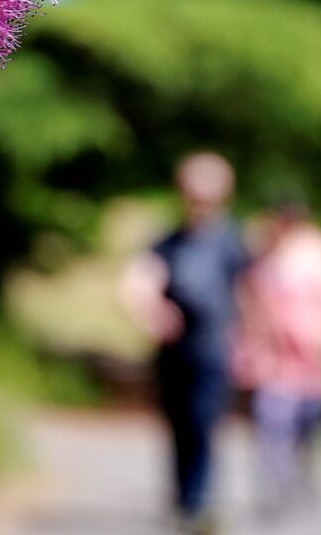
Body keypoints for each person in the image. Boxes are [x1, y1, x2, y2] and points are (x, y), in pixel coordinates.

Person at [120, 152, 248, 532]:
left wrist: (254, 342)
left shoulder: (232, 242)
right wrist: (153, 312)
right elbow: (135, 283)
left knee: (204, 424)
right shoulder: (169, 242)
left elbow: (253, 292)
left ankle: (198, 501)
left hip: (214, 347)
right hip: (174, 351)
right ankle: (183, 499)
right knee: (178, 425)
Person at [236, 200, 321, 515]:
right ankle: (274, 488)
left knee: (310, 426)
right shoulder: (263, 254)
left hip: (314, 358)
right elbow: (247, 298)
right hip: (275, 360)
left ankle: (301, 478)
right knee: (273, 424)